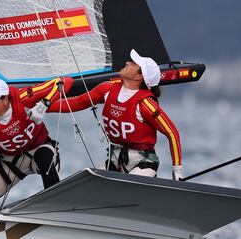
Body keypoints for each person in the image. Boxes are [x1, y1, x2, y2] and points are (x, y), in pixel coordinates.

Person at [48, 49, 183, 180]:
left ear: (139, 76)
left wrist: (177, 170)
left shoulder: (146, 104)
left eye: (133, 63)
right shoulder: (107, 89)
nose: (127, 63)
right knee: (90, 184)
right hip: (115, 161)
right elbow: (76, 103)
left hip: (143, 165)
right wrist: (43, 106)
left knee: (129, 187)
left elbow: (172, 133)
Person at [0, 77, 73, 214]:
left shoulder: (23, 97)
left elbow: (65, 81)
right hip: (10, 163)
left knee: (45, 158)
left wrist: (45, 103)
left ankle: (58, 208)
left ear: (5, 99)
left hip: (40, 150)